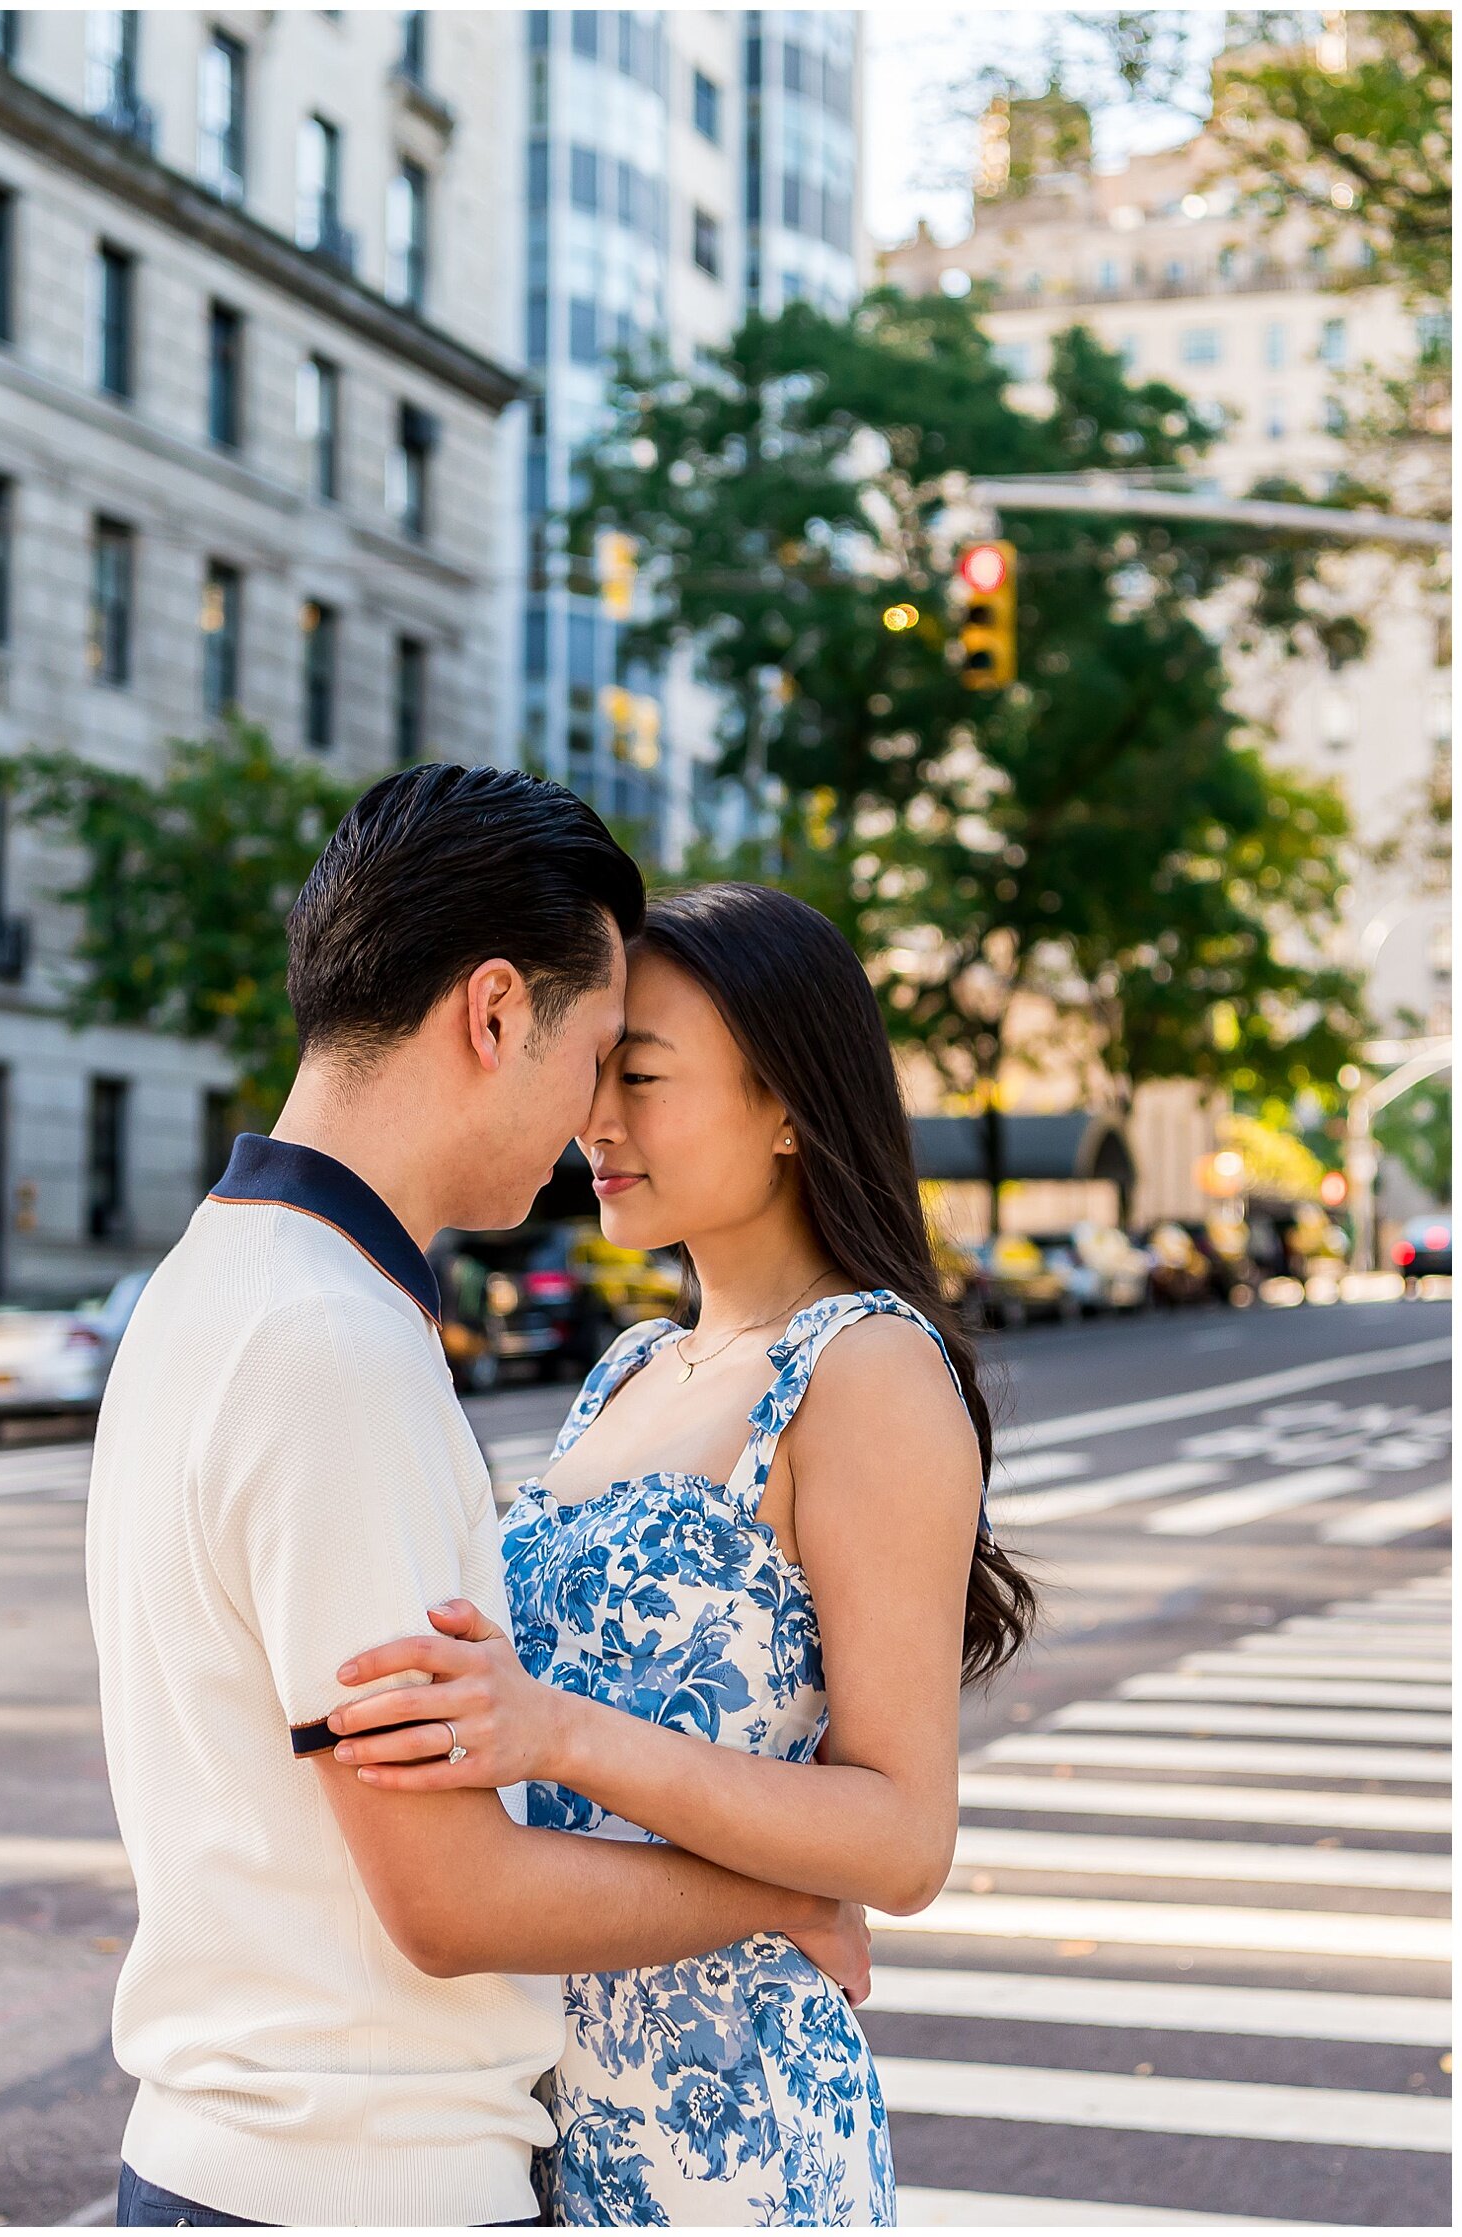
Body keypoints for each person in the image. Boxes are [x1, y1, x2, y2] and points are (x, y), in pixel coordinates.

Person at [86, 773, 870, 2232]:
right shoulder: (327, 1344)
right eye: (594, 1055)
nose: (593, 1116)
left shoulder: (217, 1280)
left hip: (240, 2157)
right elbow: (448, 1895)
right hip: (358, 2180)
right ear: (495, 1010)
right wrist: (778, 1897)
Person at [326, 882, 1040, 2227]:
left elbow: (904, 1834)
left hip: (731, 2138)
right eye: (598, 1073)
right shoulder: (631, 1367)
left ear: (786, 1106)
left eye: (641, 1077)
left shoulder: (866, 1368)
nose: (596, 1120)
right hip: (537, 2115)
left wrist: (560, 1735)